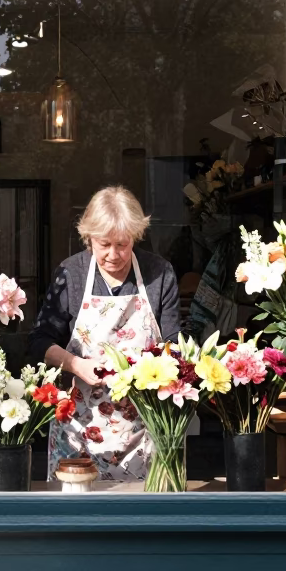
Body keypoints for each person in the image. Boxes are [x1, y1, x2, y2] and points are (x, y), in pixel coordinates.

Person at [28, 186, 180, 483]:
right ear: (89, 238)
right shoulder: (71, 273)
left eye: (122, 244)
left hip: (144, 427)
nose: (113, 254)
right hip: (79, 429)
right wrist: (76, 365)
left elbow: (174, 343)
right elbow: (38, 341)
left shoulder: (159, 273)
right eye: (104, 244)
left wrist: (153, 369)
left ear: (135, 236)